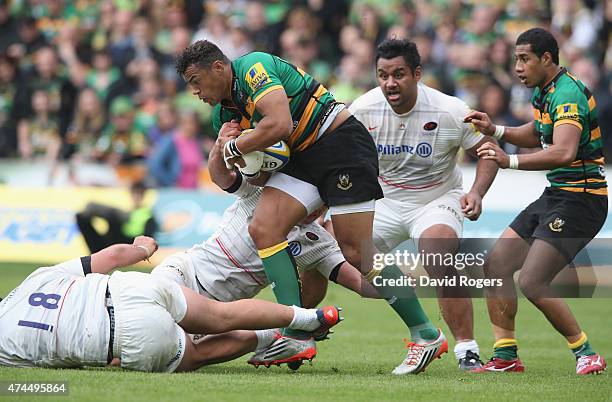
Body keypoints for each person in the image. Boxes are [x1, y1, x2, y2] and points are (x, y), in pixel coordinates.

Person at [175, 40, 447, 374]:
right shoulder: (224, 116)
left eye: (195, 81)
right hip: (302, 158)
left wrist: (236, 145)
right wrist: (238, 153)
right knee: (264, 227)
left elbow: (279, 125)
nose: (195, 92)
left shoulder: (253, 68)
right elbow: (258, 178)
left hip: (340, 143)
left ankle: (426, 334)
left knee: (357, 253)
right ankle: (297, 329)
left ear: (218, 68)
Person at [151, 132, 379, 367]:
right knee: (151, 313)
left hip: (224, 311)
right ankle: (305, 324)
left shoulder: (316, 240)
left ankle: (284, 333)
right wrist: (219, 145)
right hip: (186, 272)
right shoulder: (262, 192)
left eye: (323, 203)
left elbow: (362, 284)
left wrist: (403, 281)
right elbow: (219, 176)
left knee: (175, 356)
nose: (315, 209)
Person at [348, 38, 499, 370]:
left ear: (417, 74)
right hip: (383, 200)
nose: (390, 83)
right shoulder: (362, 110)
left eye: (399, 74)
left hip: (436, 199)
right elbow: (341, 159)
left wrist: (476, 192)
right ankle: (299, 331)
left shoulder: (450, 110)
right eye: (383, 74)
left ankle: (466, 350)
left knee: (437, 252)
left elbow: (488, 151)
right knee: (327, 248)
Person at [465, 28, 607, 375]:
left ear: (547, 58)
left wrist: (508, 160)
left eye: (524, 58)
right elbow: (539, 131)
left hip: (582, 199)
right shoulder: (547, 91)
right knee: (495, 264)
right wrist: (497, 130)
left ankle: (586, 352)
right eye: (515, 59)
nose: (517, 66)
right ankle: (505, 357)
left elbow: (563, 150)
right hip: (557, 194)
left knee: (532, 281)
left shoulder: (567, 94)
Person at [0, 236, 342, 372]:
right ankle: (307, 317)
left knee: (201, 353)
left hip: (118, 339)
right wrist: (142, 248)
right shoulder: (36, 279)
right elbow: (113, 256)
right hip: (129, 290)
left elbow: (48, 374)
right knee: (218, 315)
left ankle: (275, 339)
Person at [76, 181, 157, 253]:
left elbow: (149, 237)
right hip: (115, 241)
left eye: (139, 193)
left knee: (113, 215)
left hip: (130, 243)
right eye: (134, 193)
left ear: (143, 195)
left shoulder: (147, 214)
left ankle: (94, 207)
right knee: (80, 217)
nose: (136, 196)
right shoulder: (128, 211)